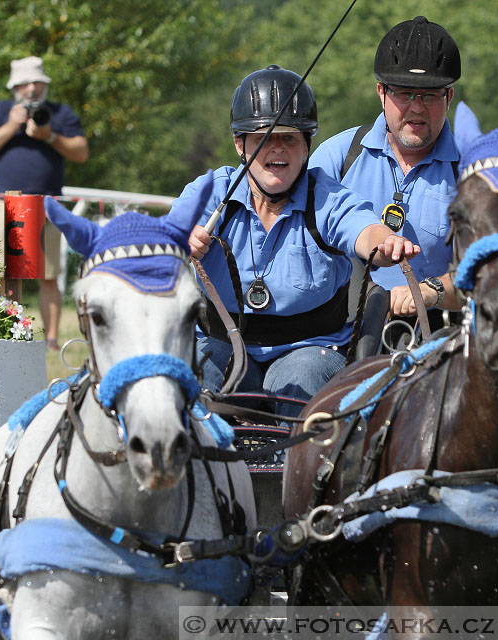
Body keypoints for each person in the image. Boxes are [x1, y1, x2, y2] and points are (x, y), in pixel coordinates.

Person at [167, 65, 419, 419]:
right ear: (240, 144)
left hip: (309, 351)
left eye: (290, 138)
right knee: (185, 373)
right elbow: (171, 233)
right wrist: (182, 238)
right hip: (224, 346)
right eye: (263, 138)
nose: (277, 149)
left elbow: (364, 229)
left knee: (299, 379)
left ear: (307, 147)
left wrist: (387, 243)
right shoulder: (210, 191)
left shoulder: (329, 198)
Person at [308, 16, 462, 337]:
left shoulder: (471, 170)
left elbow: (489, 275)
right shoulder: (336, 157)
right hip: (341, 332)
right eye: (405, 93)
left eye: (429, 95)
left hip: (438, 336)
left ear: (448, 97)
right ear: (381, 92)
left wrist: (432, 290)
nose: (416, 108)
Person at [0, 56, 89, 351]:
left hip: (47, 203)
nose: (32, 88)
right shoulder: (1, 111)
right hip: (5, 203)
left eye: (37, 82)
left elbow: (81, 153)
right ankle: (7, 329)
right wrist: (12, 125)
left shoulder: (59, 113)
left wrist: (48, 136)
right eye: (26, 83)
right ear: (15, 87)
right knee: (3, 271)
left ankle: (51, 340)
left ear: (44, 85)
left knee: (48, 274)